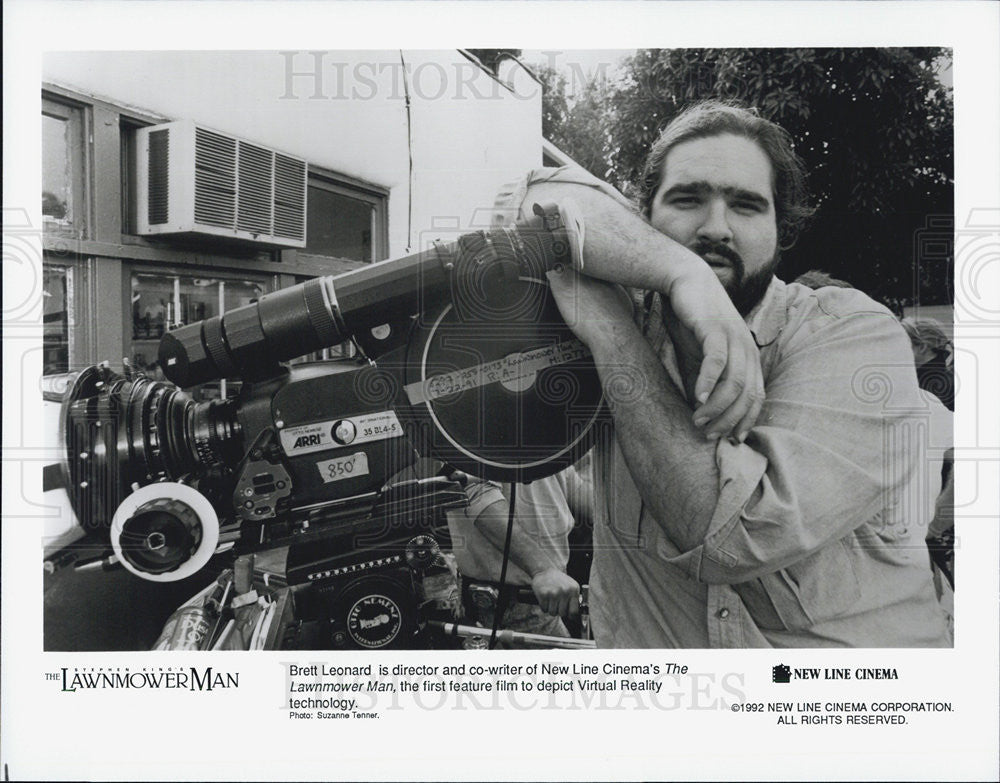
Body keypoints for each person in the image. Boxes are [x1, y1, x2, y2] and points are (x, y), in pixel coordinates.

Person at [496, 99, 950, 647]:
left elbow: (730, 538)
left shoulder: (854, 333)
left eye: (746, 205)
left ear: (781, 230)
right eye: (687, 199)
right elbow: (530, 202)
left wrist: (611, 335)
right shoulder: (638, 302)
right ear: (644, 220)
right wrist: (681, 271)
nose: (716, 228)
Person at [444, 469, 583, 646]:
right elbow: (475, 493)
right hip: (510, 604)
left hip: (551, 592)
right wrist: (542, 569)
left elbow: (572, 484)